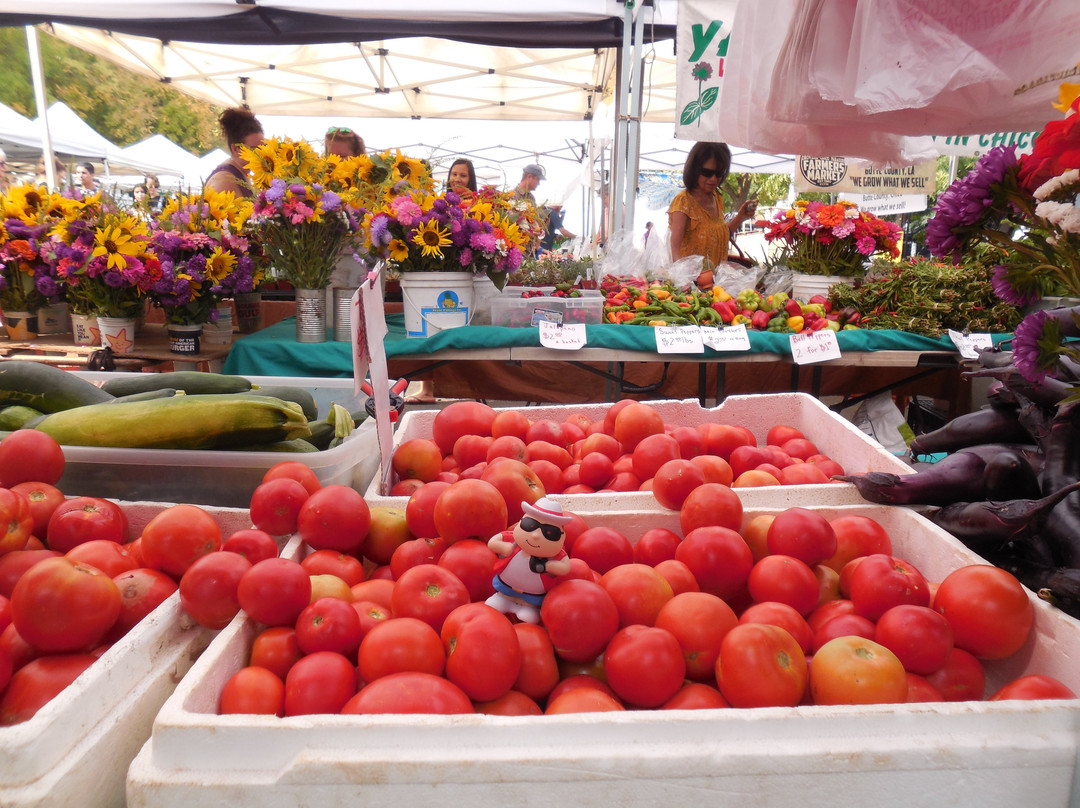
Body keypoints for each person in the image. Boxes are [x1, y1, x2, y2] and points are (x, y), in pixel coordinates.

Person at [667, 141, 757, 290]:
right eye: (707, 173)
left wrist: (741, 217)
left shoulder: (716, 198)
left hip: (717, 288)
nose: (713, 179)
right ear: (695, 169)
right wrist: (689, 285)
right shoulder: (683, 202)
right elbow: (675, 251)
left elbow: (719, 236)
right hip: (692, 291)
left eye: (719, 173)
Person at [485, 497, 573, 624]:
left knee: (528, 616)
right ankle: (503, 599)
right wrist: (504, 547)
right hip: (506, 588)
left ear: (562, 536)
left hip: (531, 597)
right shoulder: (512, 540)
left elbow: (565, 567)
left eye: (549, 532)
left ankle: (528, 608)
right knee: (495, 604)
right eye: (530, 525)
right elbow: (492, 542)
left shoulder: (555, 556)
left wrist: (548, 566)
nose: (535, 535)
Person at [204, 107, 264, 198]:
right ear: (236, 149)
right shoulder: (224, 180)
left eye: (262, 148)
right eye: (254, 149)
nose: (260, 154)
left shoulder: (242, 174)